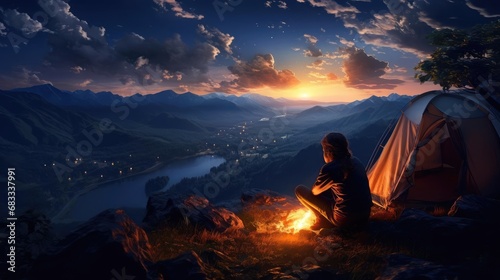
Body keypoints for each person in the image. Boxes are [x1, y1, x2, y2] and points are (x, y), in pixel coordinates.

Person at [295, 132, 373, 231]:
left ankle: (322, 219)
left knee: (300, 190)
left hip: (345, 219)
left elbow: (315, 192)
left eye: (324, 150)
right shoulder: (356, 161)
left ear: (328, 151)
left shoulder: (330, 168)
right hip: (364, 215)